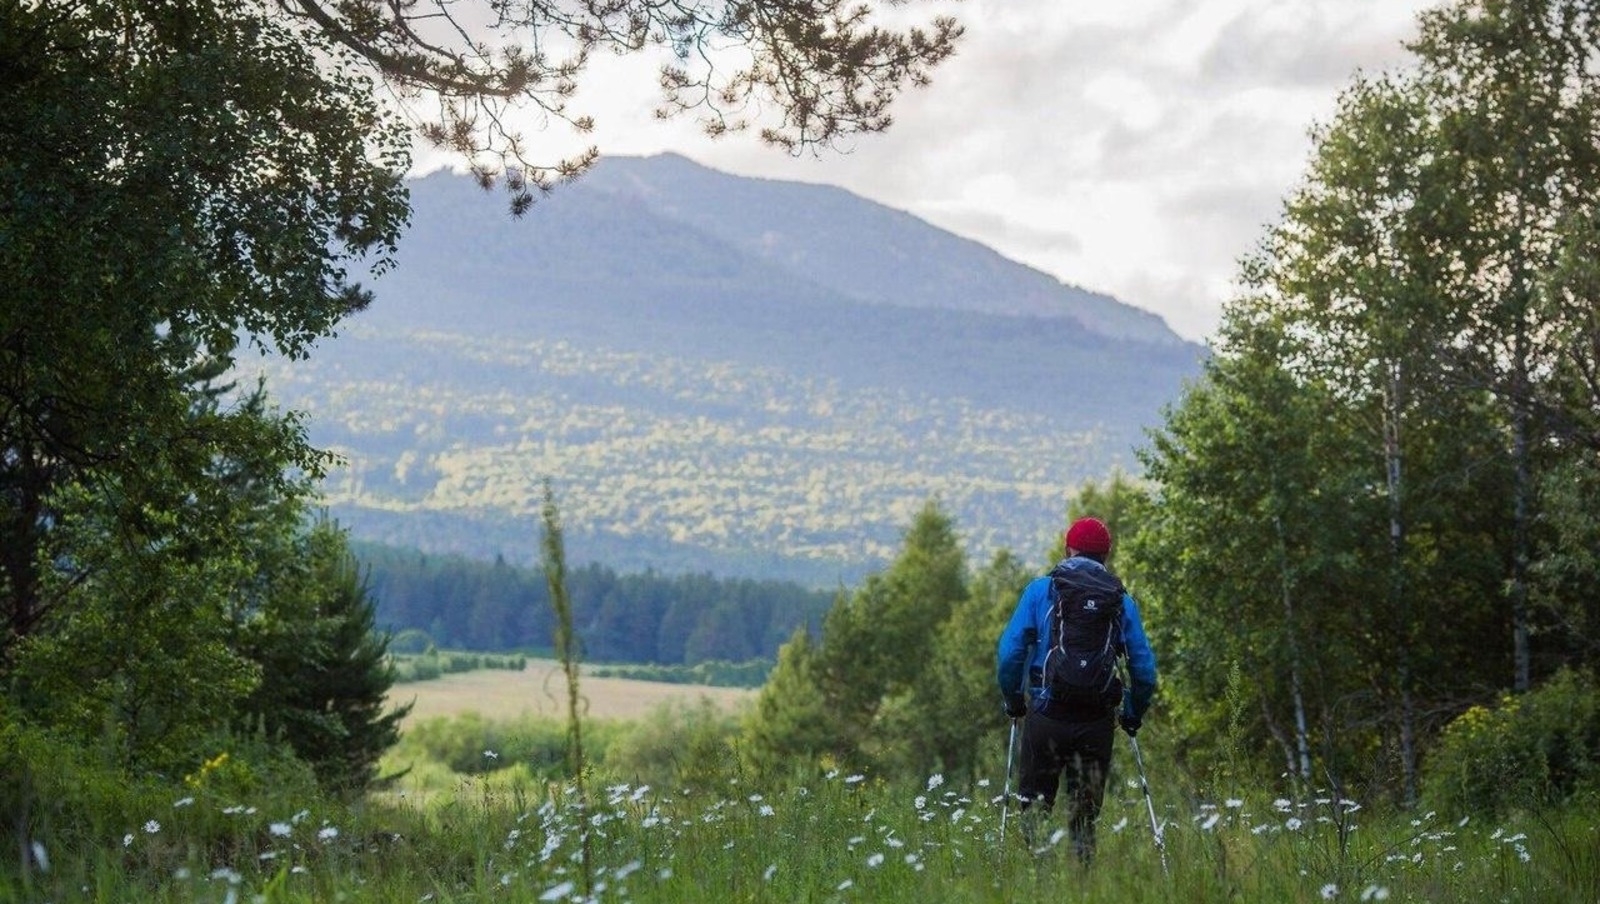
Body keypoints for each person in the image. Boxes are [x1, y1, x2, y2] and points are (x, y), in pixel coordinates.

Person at [995, 516, 1158, 862]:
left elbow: (1011, 653)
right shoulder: (1120, 601)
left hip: (1046, 715)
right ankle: (1082, 888)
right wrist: (1132, 713)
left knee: (1035, 810)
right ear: (1106, 555)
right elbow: (1143, 669)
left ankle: (1043, 883)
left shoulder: (1041, 590)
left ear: (1068, 549)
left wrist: (1014, 700)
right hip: (1096, 722)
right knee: (1084, 819)